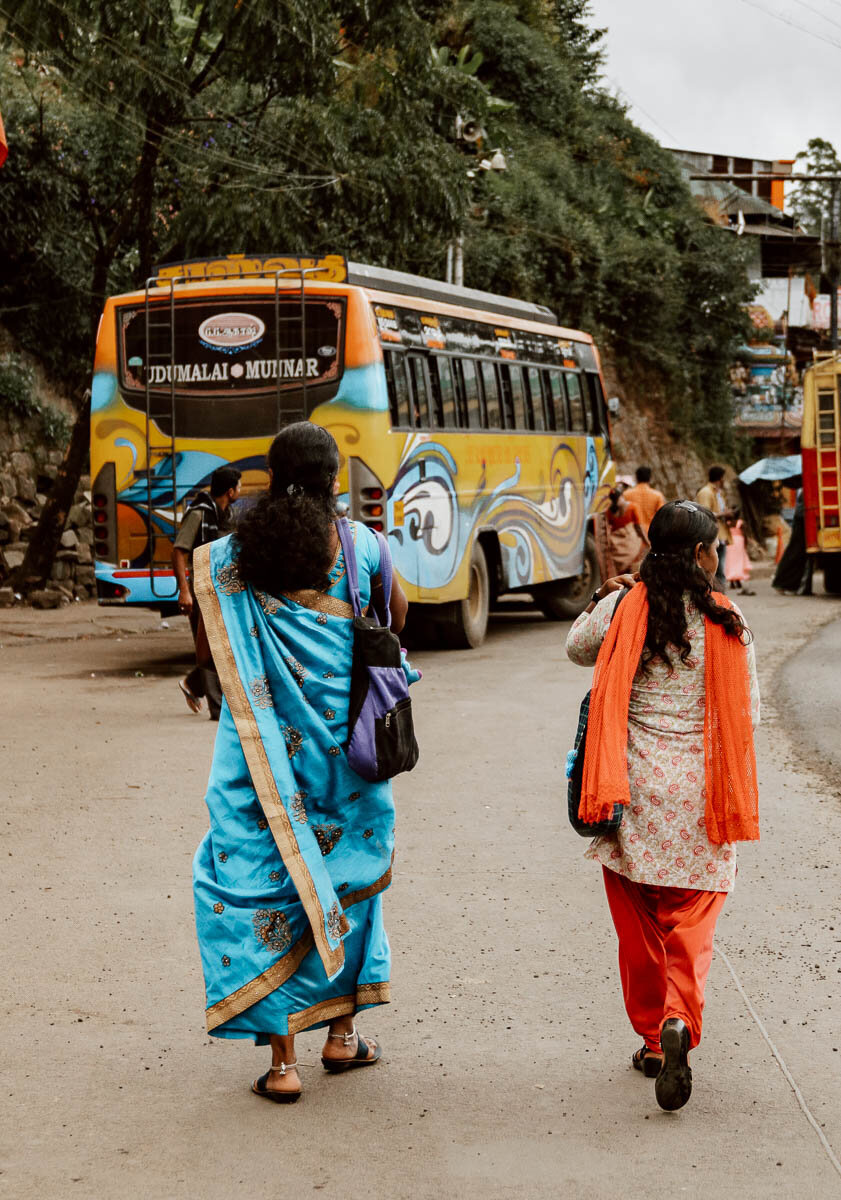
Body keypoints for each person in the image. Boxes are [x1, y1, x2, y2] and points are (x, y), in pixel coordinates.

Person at [191, 422, 415, 1103]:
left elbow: (211, 649)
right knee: (349, 877)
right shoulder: (363, 546)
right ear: (332, 479)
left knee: (266, 881)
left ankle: (283, 1065)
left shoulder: (228, 558)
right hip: (350, 755)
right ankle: (343, 1037)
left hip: (260, 760)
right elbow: (396, 617)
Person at [566, 500, 759, 1111]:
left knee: (639, 923)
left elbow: (576, 648)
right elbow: (746, 712)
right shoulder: (728, 622)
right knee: (692, 921)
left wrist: (603, 594)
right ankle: (679, 1019)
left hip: (629, 792)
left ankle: (652, 1039)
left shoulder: (627, 607)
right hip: (701, 797)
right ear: (702, 555)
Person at [172, 466, 242, 719]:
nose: (240, 491)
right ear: (230, 490)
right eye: (239, 487)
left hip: (223, 588)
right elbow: (179, 551)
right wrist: (184, 592)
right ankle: (217, 708)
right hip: (201, 588)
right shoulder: (200, 514)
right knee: (211, 645)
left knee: (223, 644)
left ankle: (193, 684)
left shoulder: (227, 515)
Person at [696, 466, 733, 588]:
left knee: (720, 568)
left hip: (721, 533)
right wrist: (724, 513)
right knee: (716, 570)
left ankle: (719, 594)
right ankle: (717, 595)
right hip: (712, 534)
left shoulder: (718, 493)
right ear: (720, 478)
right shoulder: (706, 492)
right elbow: (704, 512)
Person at [773, 487, 813, 596]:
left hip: (802, 518)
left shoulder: (801, 490)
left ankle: (787, 584)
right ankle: (785, 584)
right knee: (797, 553)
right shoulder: (804, 490)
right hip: (803, 519)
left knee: (797, 552)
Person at [606, 480, 650, 574]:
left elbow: (609, 529)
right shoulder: (632, 507)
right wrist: (647, 542)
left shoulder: (609, 512)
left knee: (621, 572)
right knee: (634, 568)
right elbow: (638, 527)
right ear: (621, 496)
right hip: (631, 546)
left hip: (617, 549)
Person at [622, 466, 666, 535]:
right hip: (651, 534)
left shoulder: (626, 494)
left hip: (633, 535)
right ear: (650, 478)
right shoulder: (657, 496)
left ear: (636, 478)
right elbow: (662, 518)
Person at [724, 512, 755, 595]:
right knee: (739, 561)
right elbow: (745, 534)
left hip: (730, 542)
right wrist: (745, 544)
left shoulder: (727, 523)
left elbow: (725, 533)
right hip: (739, 542)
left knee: (730, 562)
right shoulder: (741, 523)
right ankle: (738, 581)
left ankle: (732, 582)